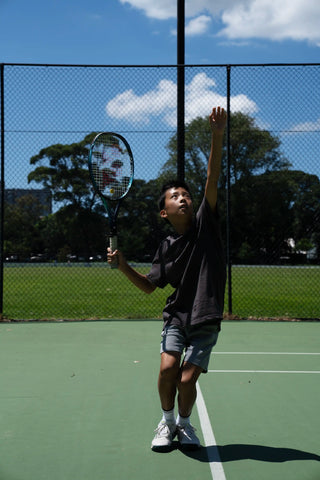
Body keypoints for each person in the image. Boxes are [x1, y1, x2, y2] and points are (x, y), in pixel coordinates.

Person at [107, 106, 227, 452]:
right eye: (176, 197)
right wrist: (125, 266)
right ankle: (167, 421)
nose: (184, 198)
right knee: (167, 369)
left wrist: (217, 137)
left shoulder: (206, 226)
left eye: (186, 194)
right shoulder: (166, 246)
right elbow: (149, 285)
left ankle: (185, 426)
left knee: (187, 378)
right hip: (176, 316)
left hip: (205, 317)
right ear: (164, 212)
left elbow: (212, 180)